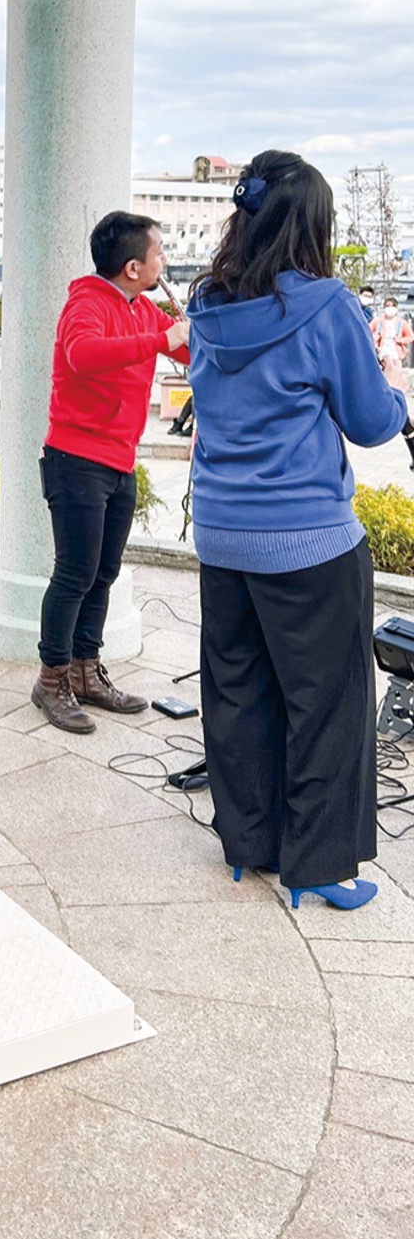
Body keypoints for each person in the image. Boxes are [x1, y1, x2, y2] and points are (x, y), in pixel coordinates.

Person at [187, 151, 409, 911]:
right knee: (328, 701)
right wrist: (402, 400)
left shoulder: (205, 303)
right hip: (308, 538)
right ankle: (318, 864)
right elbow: (372, 421)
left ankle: (248, 845)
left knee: (238, 689)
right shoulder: (328, 307)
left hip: (221, 532)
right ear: (311, 225)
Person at [33, 212, 190, 733]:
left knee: (103, 573)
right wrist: (160, 342)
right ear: (131, 266)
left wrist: (199, 326)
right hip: (76, 460)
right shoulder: (86, 303)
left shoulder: (142, 306)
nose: (163, 260)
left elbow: (187, 349)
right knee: (74, 574)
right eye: (159, 253)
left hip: (119, 461)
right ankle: (51, 679)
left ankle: (84, 670)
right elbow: (82, 354)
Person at [372, 296, 412, 388]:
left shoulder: (401, 323)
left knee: (397, 369)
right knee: (388, 365)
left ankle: (396, 389)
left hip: (396, 351)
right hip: (383, 349)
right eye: (387, 305)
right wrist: (375, 338)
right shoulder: (378, 321)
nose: (390, 308)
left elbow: (410, 336)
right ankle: (386, 387)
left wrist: (401, 340)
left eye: (392, 306)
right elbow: (368, 331)